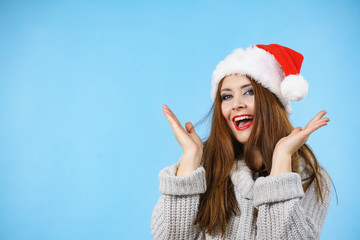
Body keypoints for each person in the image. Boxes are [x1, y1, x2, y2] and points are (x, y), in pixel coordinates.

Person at [151, 44, 332, 239]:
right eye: (227, 96)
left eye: (249, 92)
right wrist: (191, 158)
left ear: (272, 102)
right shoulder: (205, 167)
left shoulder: (310, 177)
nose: (237, 104)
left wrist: (281, 160)